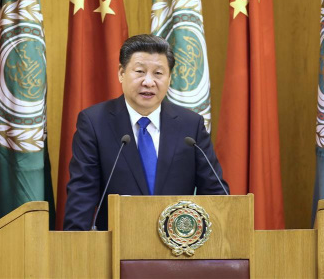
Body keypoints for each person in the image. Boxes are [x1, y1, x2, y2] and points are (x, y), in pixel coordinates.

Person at [63, 34, 229, 231]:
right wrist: (74, 248)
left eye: (158, 74)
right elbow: (82, 193)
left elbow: (215, 192)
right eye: (140, 71)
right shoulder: (95, 122)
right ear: (121, 73)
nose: (148, 82)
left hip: (179, 247)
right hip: (116, 245)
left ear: (170, 78)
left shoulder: (190, 125)